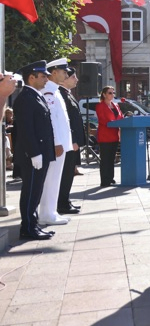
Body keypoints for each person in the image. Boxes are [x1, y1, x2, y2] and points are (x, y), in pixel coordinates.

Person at [14, 61, 57, 241]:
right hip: (33, 154)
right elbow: (26, 129)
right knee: (31, 191)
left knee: (36, 190)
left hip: (40, 152)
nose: (46, 79)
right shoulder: (26, 98)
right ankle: (28, 228)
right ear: (31, 78)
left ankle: (33, 224)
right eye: (43, 76)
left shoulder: (35, 96)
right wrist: (34, 153)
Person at [37, 59, 73, 226]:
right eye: (63, 72)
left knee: (55, 179)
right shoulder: (48, 92)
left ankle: (51, 211)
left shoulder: (55, 90)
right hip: (55, 144)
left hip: (60, 143)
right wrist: (57, 142)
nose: (66, 75)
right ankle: (46, 214)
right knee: (50, 179)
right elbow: (51, 120)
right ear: (54, 72)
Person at [53, 64, 84, 216]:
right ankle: (62, 204)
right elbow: (66, 122)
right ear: (64, 79)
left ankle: (65, 200)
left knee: (69, 173)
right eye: (72, 77)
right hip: (68, 142)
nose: (76, 79)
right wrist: (72, 140)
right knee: (65, 173)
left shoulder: (67, 94)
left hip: (71, 141)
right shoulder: (61, 94)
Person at [95, 85, 122, 187]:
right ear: (104, 94)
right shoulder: (100, 106)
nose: (112, 95)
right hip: (105, 135)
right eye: (110, 93)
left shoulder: (116, 105)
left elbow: (121, 116)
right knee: (105, 159)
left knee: (111, 158)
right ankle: (104, 180)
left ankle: (110, 178)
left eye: (113, 93)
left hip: (115, 135)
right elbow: (102, 120)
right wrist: (114, 122)